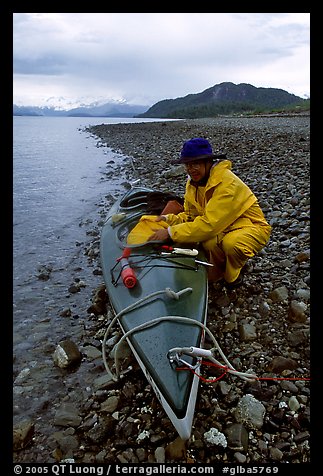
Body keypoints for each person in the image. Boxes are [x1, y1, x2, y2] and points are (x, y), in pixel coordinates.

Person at [147, 137, 271, 287]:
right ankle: (218, 274)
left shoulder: (227, 184)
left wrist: (170, 232)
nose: (190, 169)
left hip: (252, 227)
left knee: (232, 244)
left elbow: (209, 224)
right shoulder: (193, 183)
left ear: (208, 162)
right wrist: (167, 219)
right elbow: (191, 216)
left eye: (195, 164)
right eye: (187, 164)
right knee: (209, 242)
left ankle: (235, 275)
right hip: (226, 225)